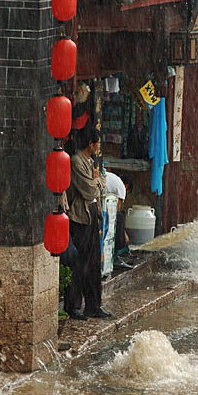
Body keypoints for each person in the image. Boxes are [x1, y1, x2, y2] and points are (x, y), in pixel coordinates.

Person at [64, 127, 112, 320]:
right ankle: (73, 306)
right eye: (97, 143)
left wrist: (97, 181)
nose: (98, 147)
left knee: (93, 263)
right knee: (80, 262)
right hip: (80, 216)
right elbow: (89, 191)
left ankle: (93, 305)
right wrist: (97, 181)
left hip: (92, 214)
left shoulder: (90, 162)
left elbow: (102, 183)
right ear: (91, 144)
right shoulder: (76, 162)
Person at [104, 169, 133, 270]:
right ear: (127, 186)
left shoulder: (112, 178)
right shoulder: (121, 187)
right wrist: (123, 234)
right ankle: (115, 258)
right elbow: (117, 212)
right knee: (120, 216)